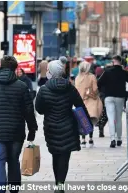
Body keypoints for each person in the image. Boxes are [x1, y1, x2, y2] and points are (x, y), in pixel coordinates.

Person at [0, 56, 38, 193]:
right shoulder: (21, 87)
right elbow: (29, 110)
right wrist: (32, 129)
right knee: (13, 160)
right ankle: (14, 189)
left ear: (0, 67)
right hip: (16, 132)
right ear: (15, 69)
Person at [35, 60, 91, 190]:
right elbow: (80, 106)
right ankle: (60, 184)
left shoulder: (44, 89)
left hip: (51, 127)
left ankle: (57, 184)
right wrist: (87, 123)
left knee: (56, 155)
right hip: (68, 127)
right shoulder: (70, 87)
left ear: (51, 73)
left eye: (48, 70)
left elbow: (39, 109)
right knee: (65, 158)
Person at [98, 55, 128, 148]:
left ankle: (112, 139)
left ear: (113, 61)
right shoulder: (124, 72)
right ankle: (119, 139)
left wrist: (103, 90)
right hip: (120, 97)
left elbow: (99, 82)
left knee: (111, 118)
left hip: (108, 97)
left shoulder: (107, 71)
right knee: (118, 118)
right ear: (121, 62)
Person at [75, 61, 101, 148]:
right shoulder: (92, 76)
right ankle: (90, 138)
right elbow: (95, 89)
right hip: (91, 100)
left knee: (83, 119)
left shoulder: (77, 78)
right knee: (91, 120)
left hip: (80, 101)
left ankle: (83, 140)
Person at [95, 66, 108, 138]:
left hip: (97, 99)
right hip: (104, 99)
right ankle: (101, 126)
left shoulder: (95, 80)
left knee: (100, 115)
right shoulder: (105, 79)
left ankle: (100, 126)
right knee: (105, 115)